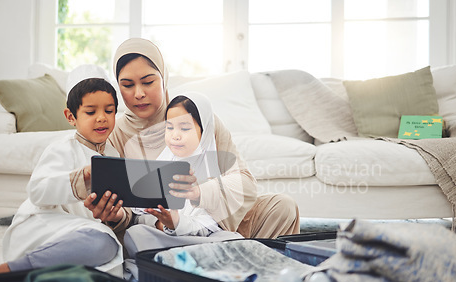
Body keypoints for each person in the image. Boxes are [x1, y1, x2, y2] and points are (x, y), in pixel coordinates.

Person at [84, 38, 300, 252]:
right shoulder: (116, 135)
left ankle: (251, 266)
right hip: (157, 231)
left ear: (163, 78)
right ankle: (232, 258)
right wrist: (129, 217)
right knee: (137, 235)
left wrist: (199, 193)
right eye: (128, 85)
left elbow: (244, 182)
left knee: (282, 207)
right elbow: (125, 210)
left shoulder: (199, 116)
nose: (139, 93)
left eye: (148, 82)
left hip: (214, 220)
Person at [0, 70, 128, 275]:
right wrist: (83, 176)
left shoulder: (113, 154)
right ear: (71, 117)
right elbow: (37, 191)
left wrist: (113, 214)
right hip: (45, 224)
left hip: (82, 231)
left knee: (111, 249)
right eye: (91, 112)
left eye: (109, 111)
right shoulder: (62, 148)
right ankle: (8, 271)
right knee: (102, 242)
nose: (102, 118)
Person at [138, 92, 225, 237]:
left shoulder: (214, 176)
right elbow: (140, 212)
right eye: (169, 127)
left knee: (227, 237)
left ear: (204, 131)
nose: (175, 136)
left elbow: (210, 226)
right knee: (136, 233)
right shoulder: (161, 164)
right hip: (160, 235)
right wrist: (161, 223)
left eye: (184, 128)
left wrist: (176, 224)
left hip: (196, 240)